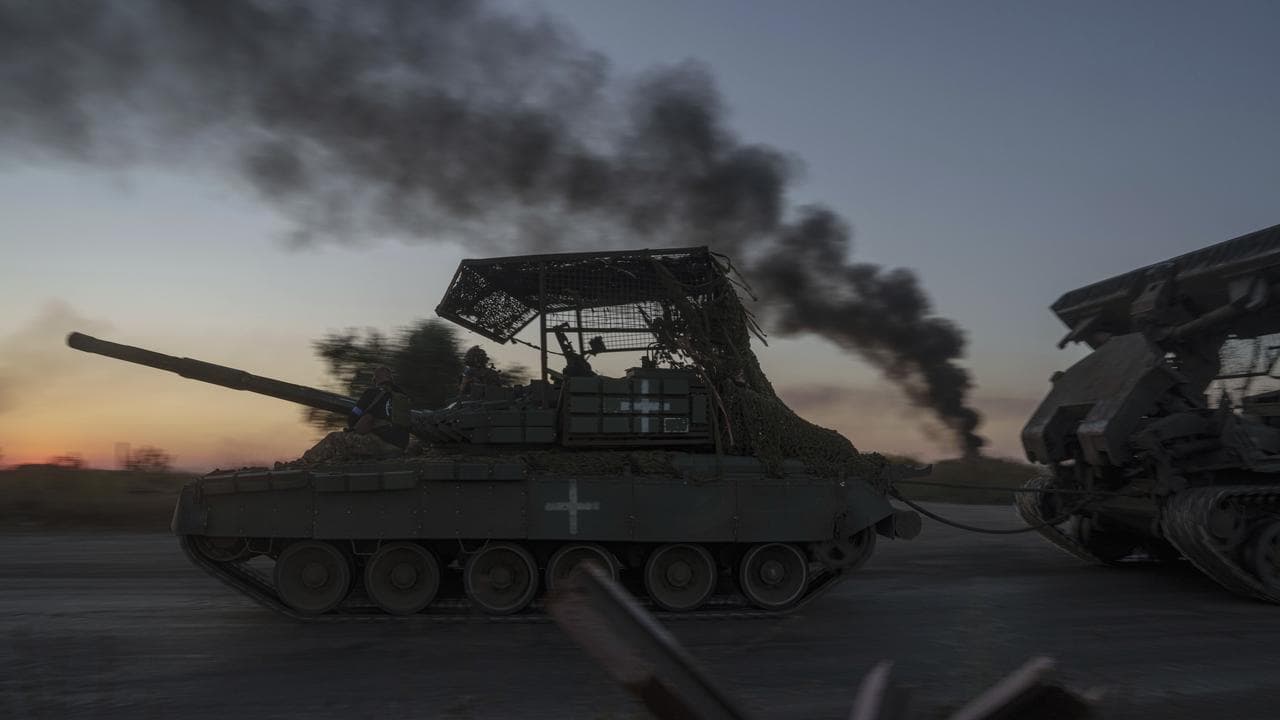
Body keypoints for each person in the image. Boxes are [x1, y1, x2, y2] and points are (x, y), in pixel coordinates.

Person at [301, 366, 412, 464]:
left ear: (375, 380)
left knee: (334, 438)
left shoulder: (371, 393)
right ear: (391, 379)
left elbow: (353, 419)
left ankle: (305, 462)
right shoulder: (403, 395)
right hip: (400, 447)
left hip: (380, 445)